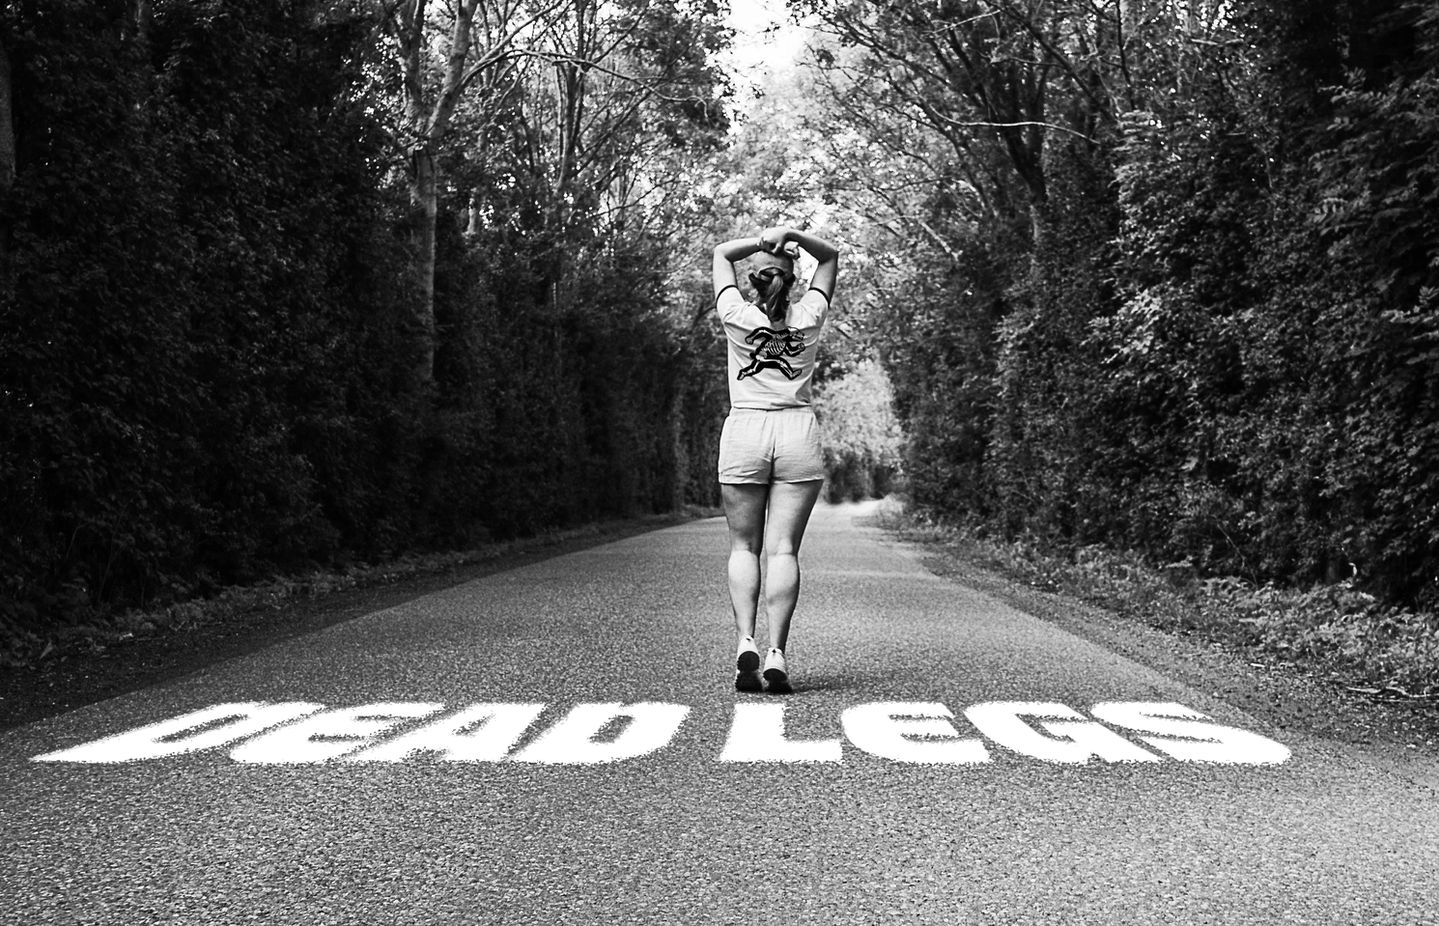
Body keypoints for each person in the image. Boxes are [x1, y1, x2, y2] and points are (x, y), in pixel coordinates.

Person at [712, 225, 840, 694]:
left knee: (744, 547)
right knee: (783, 549)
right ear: (794, 280)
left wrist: (762, 243)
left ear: (754, 283)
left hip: (745, 429)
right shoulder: (808, 315)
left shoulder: (736, 315)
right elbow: (830, 257)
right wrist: (793, 236)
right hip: (795, 431)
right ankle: (777, 652)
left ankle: (745, 639)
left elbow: (723, 252)